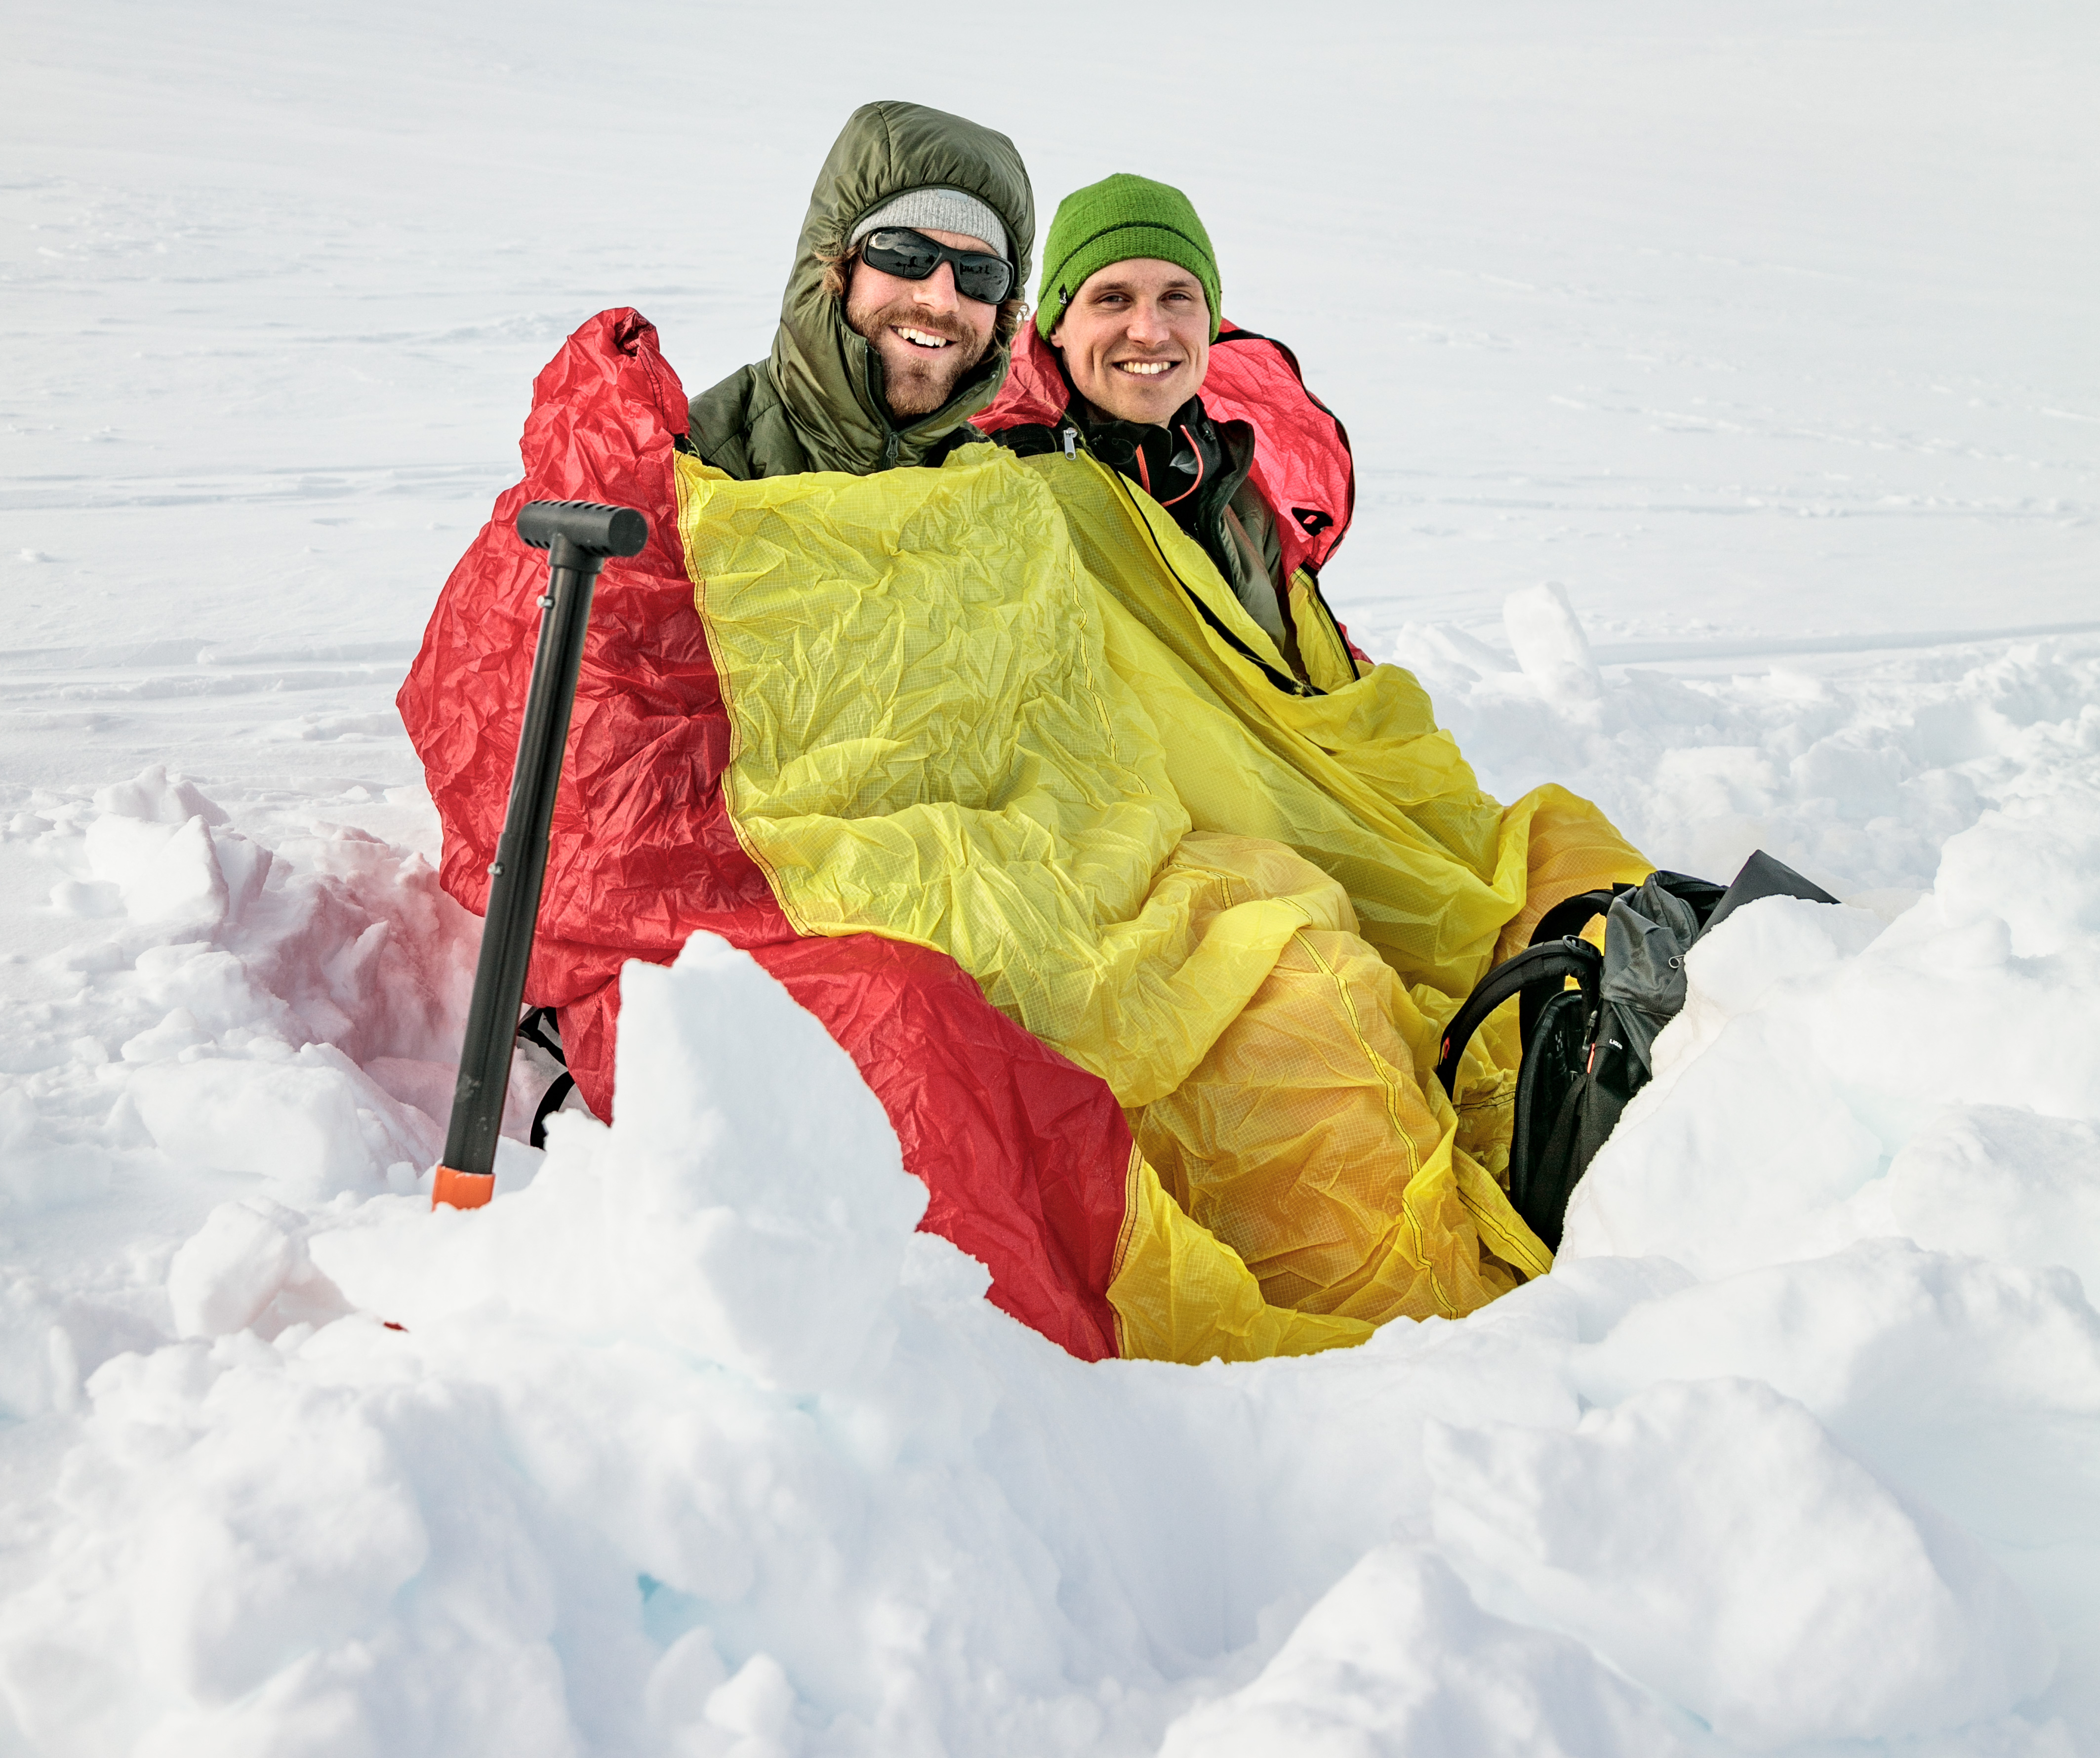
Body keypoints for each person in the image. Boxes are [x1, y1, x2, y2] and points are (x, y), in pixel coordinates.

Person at [977, 172, 1354, 687]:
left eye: (1177, 297)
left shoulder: (1236, 487)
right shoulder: (998, 485)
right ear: (1057, 325)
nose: (1149, 332)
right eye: (1112, 298)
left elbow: (1302, 668)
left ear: (1210, 320)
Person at [686, 100, 1032, 478]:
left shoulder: (1000, 490)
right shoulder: (688, 467)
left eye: (982, 273)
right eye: (906, 254)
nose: (941, 299)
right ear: (837, 267)